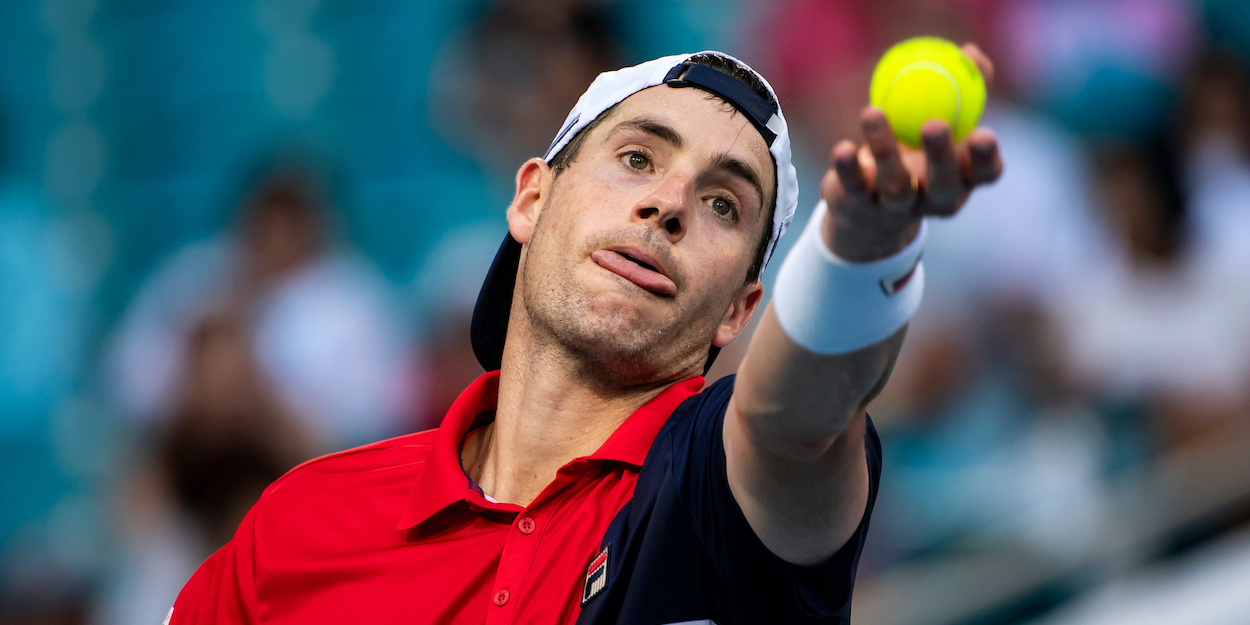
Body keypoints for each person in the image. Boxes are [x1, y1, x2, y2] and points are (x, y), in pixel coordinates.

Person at [168, 48, 1001, 624]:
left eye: (723, 205)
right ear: (532, 198)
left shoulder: (716, 489)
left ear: (738, 312)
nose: (669, 203)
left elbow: (803, 413)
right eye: (638, 158)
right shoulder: (299, 521)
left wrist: (862, 248)